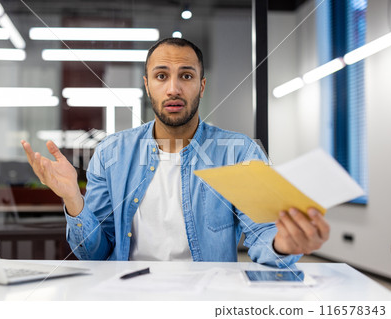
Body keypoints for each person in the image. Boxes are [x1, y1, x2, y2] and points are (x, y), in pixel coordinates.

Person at [21, 38, 329, 267]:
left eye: (186, 75)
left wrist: (282, 245)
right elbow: (95, 253)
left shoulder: (237, 151)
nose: (173, 89)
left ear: (201, 86)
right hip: (128, 298)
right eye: (161, 76)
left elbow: (262, 231)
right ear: (147, 85)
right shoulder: (111, 153)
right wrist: (74, 200)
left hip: (206, 298)